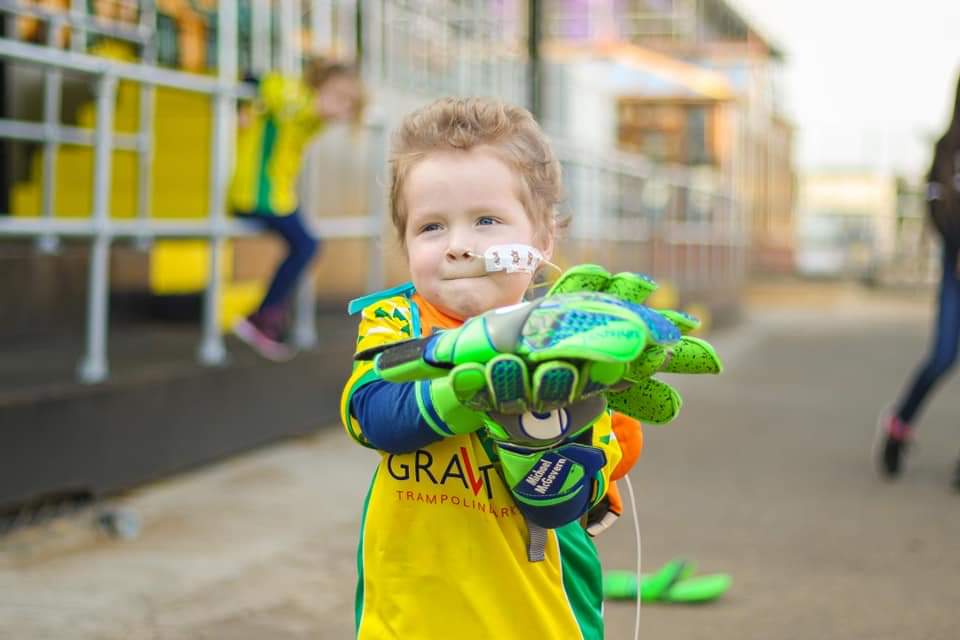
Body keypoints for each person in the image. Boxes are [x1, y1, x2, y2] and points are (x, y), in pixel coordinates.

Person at [339, 97, 644, 640]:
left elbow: (559, 504)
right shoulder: (396, 320)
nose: (458, 246)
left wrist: (533, 424)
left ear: (542, 238)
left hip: (537, 620)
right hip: (405, 620)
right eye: (431, 227)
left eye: (486, 220)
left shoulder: (575, 348)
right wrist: (473, 386)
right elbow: (374, 417)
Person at [230, 57, 364, 361]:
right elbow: (259, 79)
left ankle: (269, 314)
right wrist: (243, 107)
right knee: (306, 245)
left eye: (349, 104)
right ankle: (263, 316)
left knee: (306, 245)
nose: (342, 109)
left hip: (273, 196)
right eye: (339, 97)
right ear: (320, 86)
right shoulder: (295, 97)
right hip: (257, 196)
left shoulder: (310, 116)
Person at [878, 73, 960, 487]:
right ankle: (899, 424)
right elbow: (935, 205)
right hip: (956, 263)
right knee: (944, 356)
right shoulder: (947, 150)